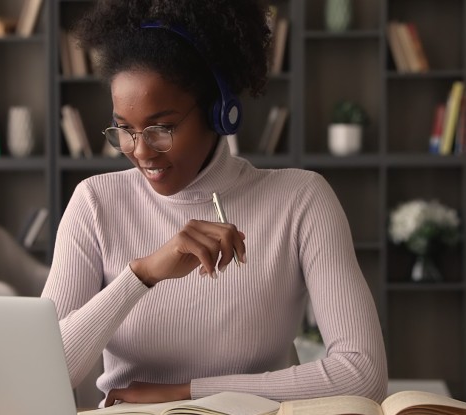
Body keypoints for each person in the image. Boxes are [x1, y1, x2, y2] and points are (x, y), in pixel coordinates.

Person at [41, 0, 388, 407]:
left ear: (221, 113)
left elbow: (362, 374)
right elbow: (37, 370)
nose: (141, 151)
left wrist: (187, 395)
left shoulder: (301, 200)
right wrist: (142, 275)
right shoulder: (96, 203)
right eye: (124, 130)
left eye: (161, 128)